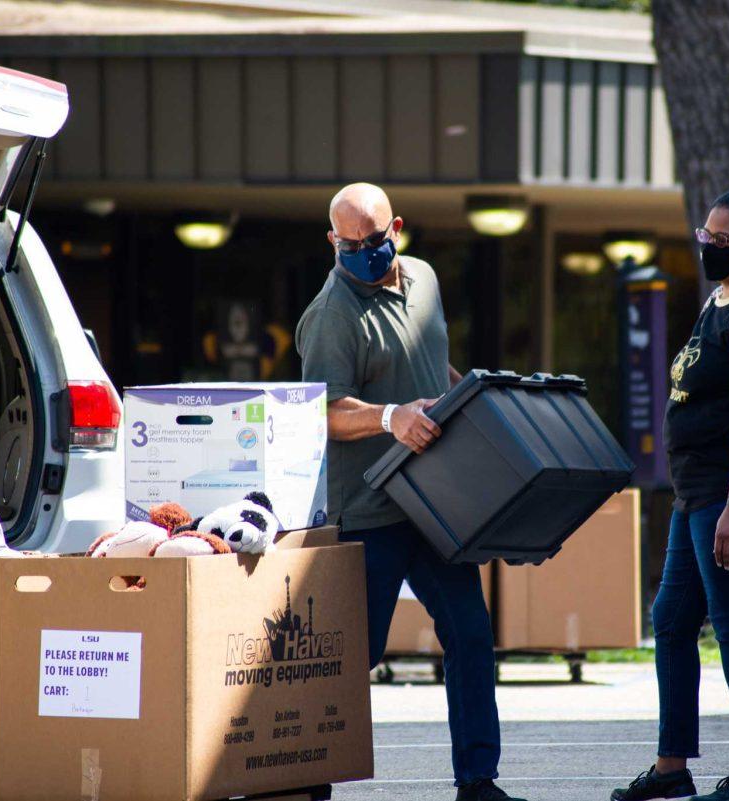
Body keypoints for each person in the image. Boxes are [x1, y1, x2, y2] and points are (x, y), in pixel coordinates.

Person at [295, 183, 523, 801]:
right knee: (352, 654)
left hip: (435, 501)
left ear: (395, 227)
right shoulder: (331, 316)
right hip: (368, 507)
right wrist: (390, 416)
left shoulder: (423, 277)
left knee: (471, 636)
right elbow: (322, 412)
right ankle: (304, 778)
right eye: (350, 243)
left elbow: (432, 364)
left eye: (374, 240)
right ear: (332, 241)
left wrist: (470, 399)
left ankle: (478, 781)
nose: (364, 252)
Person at [613, 189, 729, 801]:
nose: (707, 248)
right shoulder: (721, 301)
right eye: (705, 234)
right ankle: (672, 768)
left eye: (721, 242)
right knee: (670, 621)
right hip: (698, 494)